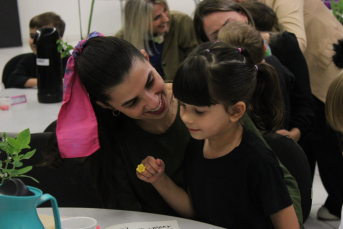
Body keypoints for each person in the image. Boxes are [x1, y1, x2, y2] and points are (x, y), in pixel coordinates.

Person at [46, 32, 302, 223]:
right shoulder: (116, 142)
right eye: (132, 102)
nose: (153, 102)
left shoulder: (208, 99)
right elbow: (130, 215)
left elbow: (280, 185)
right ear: (106, 105)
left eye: (150, 82)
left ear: (147, 59)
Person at [137, 41, 300, 228]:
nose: (187, 118)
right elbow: (195, 209)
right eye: (183, 105)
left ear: (236, 112)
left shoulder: (259, 163)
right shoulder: (197, 145)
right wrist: (160, 180)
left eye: (199, 111)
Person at [115, 0, 198, 80]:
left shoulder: (181, 23)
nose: (166, 19)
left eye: (165, 10)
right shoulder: (121, 41)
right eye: (157, 17)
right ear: (138, 22)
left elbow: (197, 61)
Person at [7, 12, 66, 88]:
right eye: (32, 36)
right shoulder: (28, 60)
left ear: (58, 39)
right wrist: (46, 81)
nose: (35, 41)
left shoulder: (67, 61)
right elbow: (13, 80)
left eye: (41, 37)